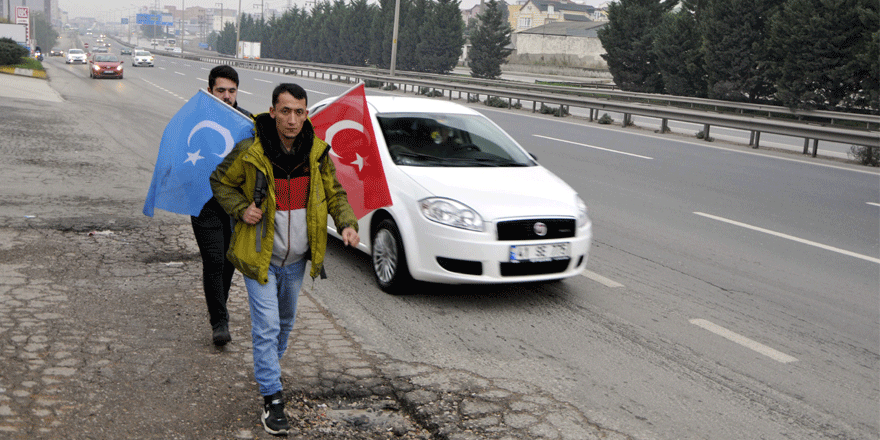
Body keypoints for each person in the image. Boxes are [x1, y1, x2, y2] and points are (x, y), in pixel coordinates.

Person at [210, 83, 360, 435]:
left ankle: (268, 372)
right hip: (258, 256)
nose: (292, 119)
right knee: (267, 327)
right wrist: (239, 208)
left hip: (295, 261)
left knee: (286, 323)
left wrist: (348, 224)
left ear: (306, 114)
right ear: (273, 111)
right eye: (286, 111)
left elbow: (335, 193)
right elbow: (220, 180)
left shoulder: (317, 153)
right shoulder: (251, 150)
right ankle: (272, 399)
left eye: (299, 112)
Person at [192, 65, 253, 347]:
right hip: (204, 203)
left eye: (231, 91)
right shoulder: (196, 120)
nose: (227, 96)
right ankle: (220, 322)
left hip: (235, 206)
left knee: (228, 262)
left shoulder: (249, 124)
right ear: (210, 91)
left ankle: (220, 308)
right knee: (214, 260)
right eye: (221, 90)